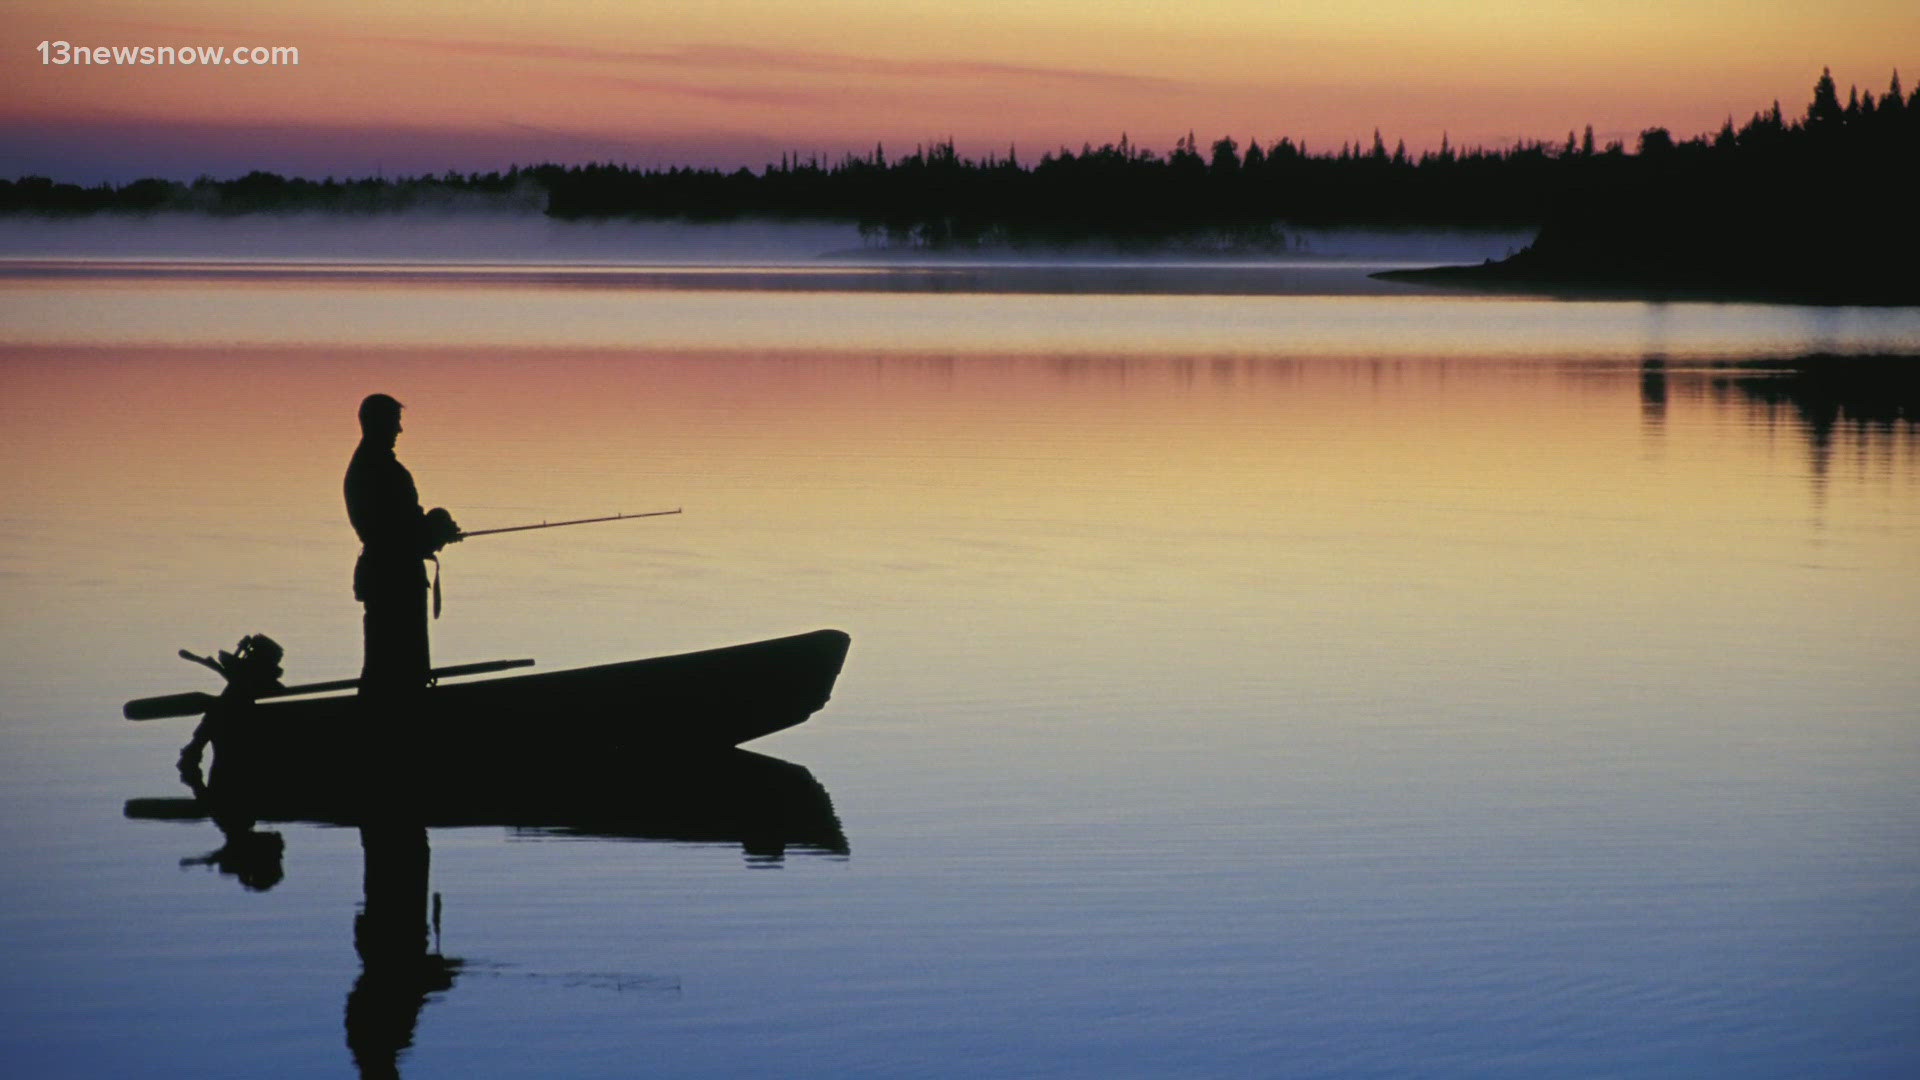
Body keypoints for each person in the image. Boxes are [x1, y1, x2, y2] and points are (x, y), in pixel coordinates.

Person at [344, 394, 460, 697]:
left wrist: (434, 529)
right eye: (395, 422)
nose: (399, 430)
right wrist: (436, 530)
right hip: (394, 580)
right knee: (398, 667)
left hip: (386, 575)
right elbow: (398, 533)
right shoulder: (379, 470)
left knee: (389, 665)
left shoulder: (371, 466)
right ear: (379, 423)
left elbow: (402, 529)